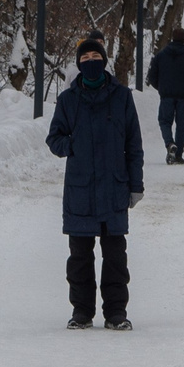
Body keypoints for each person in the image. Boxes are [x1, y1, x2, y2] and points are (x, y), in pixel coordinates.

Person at [46, 33, 144, 331]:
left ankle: (116, 313)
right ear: (78, 64)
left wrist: (136, 185)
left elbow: (134, 143)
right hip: (81, 191)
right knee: (79, 258)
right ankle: (82, 312)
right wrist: (72, 145)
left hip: (114, 187)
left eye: (96, 58)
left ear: (104, 61)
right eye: (85, 59)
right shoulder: (67, 100)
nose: (91, 62)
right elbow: (54, 139)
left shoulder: (122, 97)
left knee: (115, 257)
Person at [145, 25, 184, 164]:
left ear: (172, 38)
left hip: (166, 95)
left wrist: (160, 87)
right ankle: (178, 154)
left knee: (164, 121)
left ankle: (169, 143)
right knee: (181, 125)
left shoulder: (161, 55)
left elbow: (152, 75)